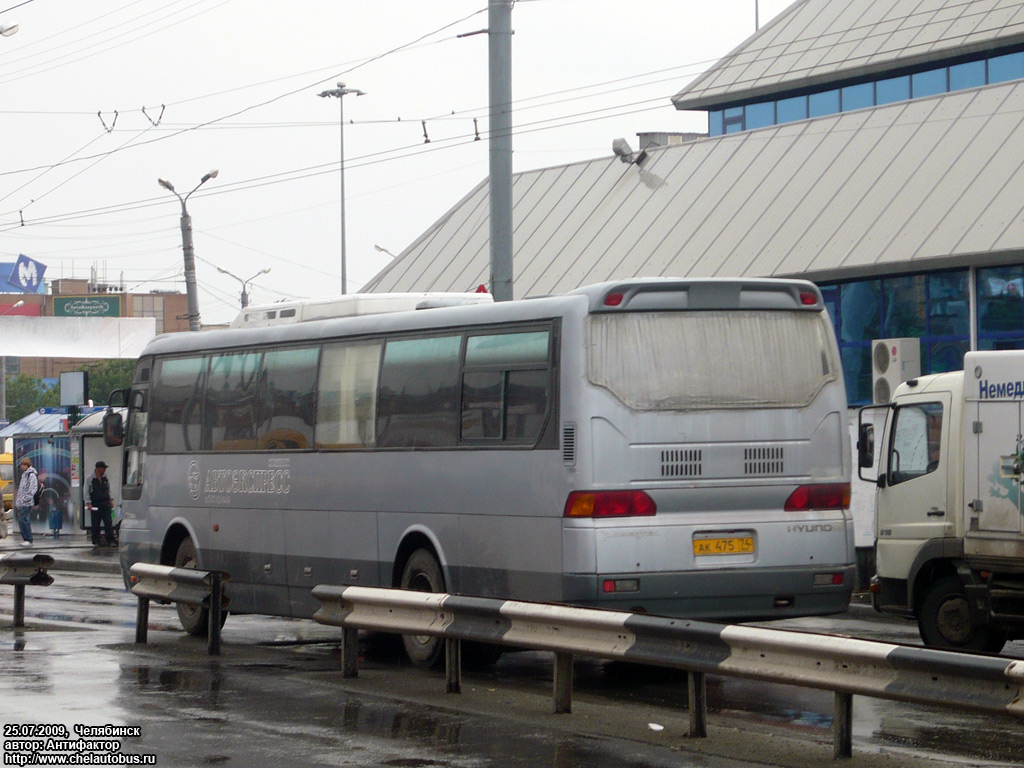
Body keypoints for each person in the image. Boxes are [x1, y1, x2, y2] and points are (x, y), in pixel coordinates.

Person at [84, 460, 115, 547]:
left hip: (105, 503)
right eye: (103, 468)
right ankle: (96, 540)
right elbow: (86, 491)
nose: (104, 470)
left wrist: (111, 500)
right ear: (98, 469)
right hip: (95, 504)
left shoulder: (105, 478)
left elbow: (109, 490)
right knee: (95, 523)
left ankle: (110, 539)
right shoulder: (90, 478)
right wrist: (88, 503)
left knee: (108, 522)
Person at [14, 457, 38, 547]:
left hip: (26, 503)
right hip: (22, 502)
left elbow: (33, 488)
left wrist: (25, 499)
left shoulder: (31, 475)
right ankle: (26, 539)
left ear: (28, 465)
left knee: (23, 520)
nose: (22, 467)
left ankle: (28, 539)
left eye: (24, 465)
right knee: (23, 520)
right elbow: (21, 490)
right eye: (22, 465)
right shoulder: (24, 475)